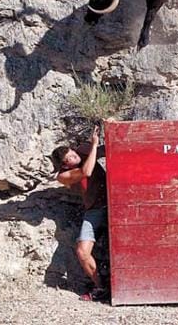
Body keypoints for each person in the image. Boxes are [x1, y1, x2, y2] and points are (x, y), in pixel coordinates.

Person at [51, 125, 109, 301]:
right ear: (64, 165)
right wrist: (93, 147)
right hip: (95, 210)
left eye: (72, 152)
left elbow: (109, 149)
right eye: (69, 157)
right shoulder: (63, 176)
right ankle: (101, 287)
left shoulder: (83, 150)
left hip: (115, 202)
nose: (74, 155)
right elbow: (86, 172)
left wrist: (109, 124)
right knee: (82, 251)